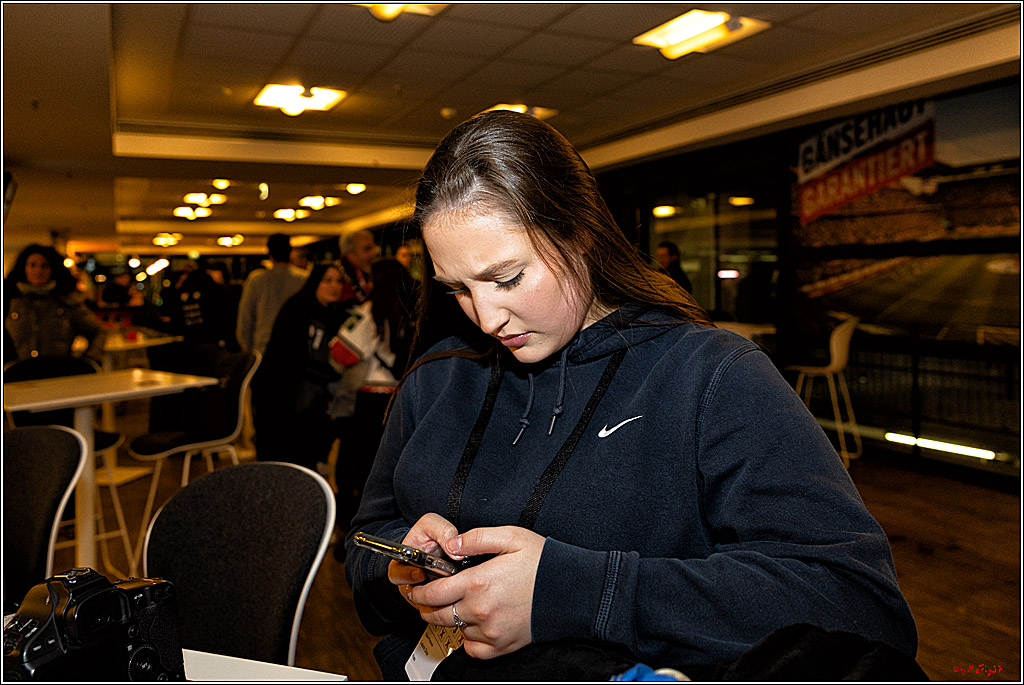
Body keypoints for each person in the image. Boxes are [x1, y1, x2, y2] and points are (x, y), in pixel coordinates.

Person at [343, 111, 918, 680]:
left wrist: (575, 592)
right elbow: (366, 544)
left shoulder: (711, 376)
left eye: (508, 278)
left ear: (581, 236)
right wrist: (401, 566)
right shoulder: (437, 375)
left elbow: (861, 604)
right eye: (459, 289)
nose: (487, 317)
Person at [251, 262, 347, 470]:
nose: (334, 286)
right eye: (327, 280)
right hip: (283, 400)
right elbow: (285, 359)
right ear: (315, 283)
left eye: (338, 281)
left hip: (312, 404)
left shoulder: (335, 315)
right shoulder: (297, 308)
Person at [4, 244, 107, 364]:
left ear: (52, 269)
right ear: (23, 268)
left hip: (57, 375)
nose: (38, 271)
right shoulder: (10, 300)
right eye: (32, 265)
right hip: (17, 376)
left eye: (44, 266)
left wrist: (89, 361)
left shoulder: (67, 302)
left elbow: (98, 332)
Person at [235, 233, 307, 355]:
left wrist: (248, 352)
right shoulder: (304, 278)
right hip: (296, 346)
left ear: (269, 254)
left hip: (263, 348)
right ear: (290, 253)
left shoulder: (256, 280)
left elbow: (245, 320)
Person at [338, 229, 377, 308]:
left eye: (372, 248)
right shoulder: (340, 278)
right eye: (367, 249)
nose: (372, 254)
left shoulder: (367, 274)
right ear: (350, 255)